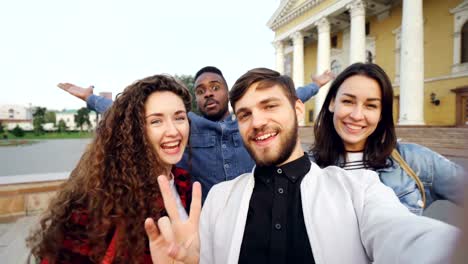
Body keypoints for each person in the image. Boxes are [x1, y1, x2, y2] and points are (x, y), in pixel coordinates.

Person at [144, 68, 459, 264]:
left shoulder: (358, 188)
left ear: (297, 109)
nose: (258, 122)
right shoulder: (219, 200)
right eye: (244, 115)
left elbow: (403, 235)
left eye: (270, 106)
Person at [58, 67, 334, 200]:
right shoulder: (186, 125)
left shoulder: (248, 121)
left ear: (228, 93)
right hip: (206, 219)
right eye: (200, 91)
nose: (208, 93)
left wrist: (316, 86)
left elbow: (286, 97)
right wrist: (90, 99)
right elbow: (134, 112)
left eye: (215, 87)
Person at [27, 75, 200, 263]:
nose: (174, 131)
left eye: (179, 118)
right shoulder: (99, 200)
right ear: (136, 130)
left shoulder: (184, 183)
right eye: (156, 121)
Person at [311, 62, 465, 215]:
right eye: (348, 101)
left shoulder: (415, 160)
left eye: (371, 105)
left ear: (381, 114)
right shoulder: (307, 168)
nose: (357, 115)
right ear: (332, 103)